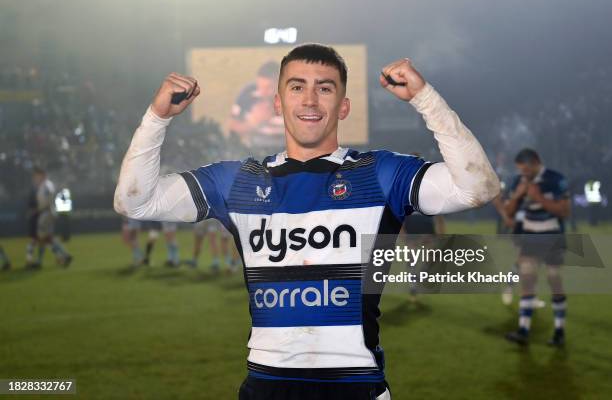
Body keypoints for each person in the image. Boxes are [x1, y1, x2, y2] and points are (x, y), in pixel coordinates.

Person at [114, 44, 500, 399]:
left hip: (354, 387)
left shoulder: (379, 174)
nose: (311, 100)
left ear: (344, 106)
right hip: (266, 386)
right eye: (297, 87)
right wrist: (156, 118)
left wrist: (425, 99)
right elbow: (136, 201)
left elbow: (476, 188)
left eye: (325, 89)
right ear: (279, 103)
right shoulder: (238, 181)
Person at [504, 148, 570, 347]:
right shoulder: (519, 181)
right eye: (521, 170)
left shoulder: (556, 179)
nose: (524, 174)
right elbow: (508, 212)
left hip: (552, 236)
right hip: (530, 238)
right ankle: (523, 330)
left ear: (536, 162)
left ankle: (559, 331)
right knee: (527, 281)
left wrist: (539, 198)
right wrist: (517, 196)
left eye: (527, 170)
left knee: (554, 281)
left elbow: (565, 211)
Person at [26, 167, 72, 269]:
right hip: (47, 213)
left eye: (36, 176)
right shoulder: (45, 185)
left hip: (46, 214)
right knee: (47, 238)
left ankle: (41, 261)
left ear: (42, 175)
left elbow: (47, 201)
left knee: (43, 238)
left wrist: (36, 210)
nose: (35, 178)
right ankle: (64, 255)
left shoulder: (46, 186)